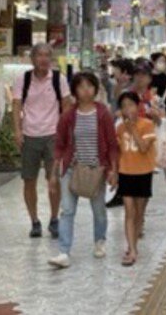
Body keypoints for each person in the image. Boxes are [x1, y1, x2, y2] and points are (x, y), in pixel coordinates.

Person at [50, 72, 120, 269]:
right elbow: (60, 144)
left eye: (90, 86)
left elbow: (112, 144)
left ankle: (100, 240)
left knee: (98, 211)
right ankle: (64, 251)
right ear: (75, 91)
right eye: (81, 86)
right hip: (72, 169)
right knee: (67, 210)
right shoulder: (68, 116)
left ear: (96, 89)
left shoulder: (103, 113)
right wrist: (54, 173)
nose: (86, 90)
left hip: (96, 170)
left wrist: (113, 170)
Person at [12, 43, 72, 239]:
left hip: (52, 135)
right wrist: (18, 131)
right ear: (33, 58)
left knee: (53, 180)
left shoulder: (58, 79)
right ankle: (34, 221)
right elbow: (16, 105)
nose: (44, 59)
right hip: (30, 135)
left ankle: (54, 219)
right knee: (29, 179)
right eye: (40, 55)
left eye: (47, 55)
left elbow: (66, 107)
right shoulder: (23, 79)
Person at [116, 91, 157, 266]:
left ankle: (135, 243)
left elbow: (142, 148)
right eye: (124, 106)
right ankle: (132, 250)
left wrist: (132, 129)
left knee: (139, 213)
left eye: (131, 105)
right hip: (126, 172)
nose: (128, 109)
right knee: (129, 212)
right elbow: (117, 153)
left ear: (138, 106)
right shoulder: (119, 129)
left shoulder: (147, 125)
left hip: (143, 172)